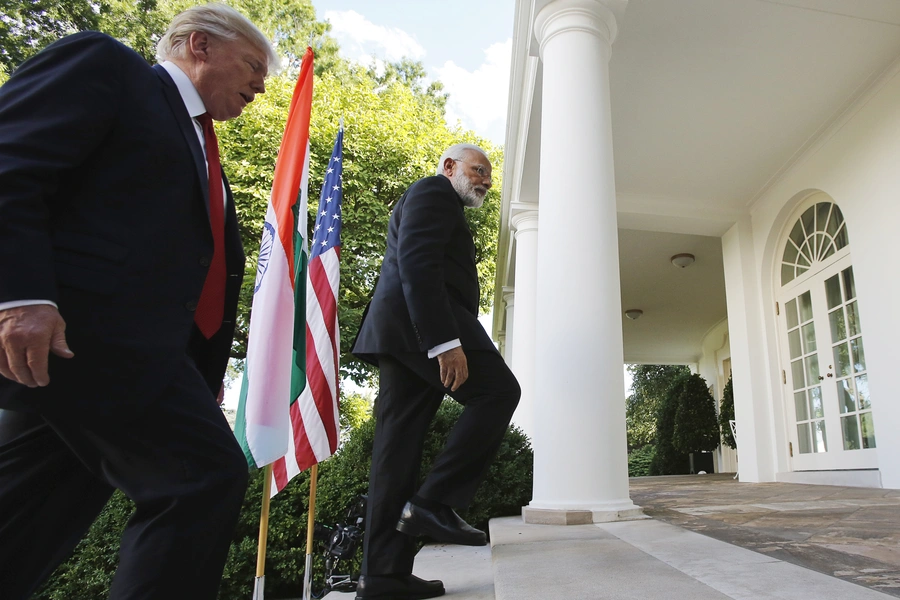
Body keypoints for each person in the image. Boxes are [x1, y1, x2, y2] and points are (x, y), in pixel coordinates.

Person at [0, 5, 278, 599]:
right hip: (86, 340)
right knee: (201, 478)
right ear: (199, 45)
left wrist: (198, 379)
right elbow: (9, 163)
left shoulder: (204, 149)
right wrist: (19, 296)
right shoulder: (109, 68)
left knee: (25, 520)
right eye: (254, 65)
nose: (261, 84)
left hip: (108, 364)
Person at [351, 144, 521, 600]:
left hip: (401, 334)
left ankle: (383, 575)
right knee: (499, 392)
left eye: (489, 175)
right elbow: (418, 262)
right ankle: (432, 503)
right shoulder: (433, 190)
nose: (485, 180)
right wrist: (445, 342)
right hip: (423, 324)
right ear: (449, 167)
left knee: (397, 450)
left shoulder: (441, 202)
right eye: (478, 170)